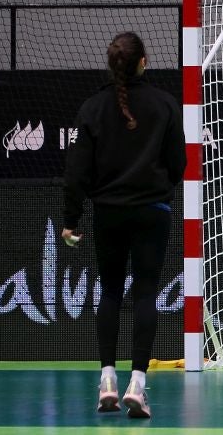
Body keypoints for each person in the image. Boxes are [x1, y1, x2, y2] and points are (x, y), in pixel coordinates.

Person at [62, 32, 186, 417]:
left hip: (109, 213)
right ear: (143, 62)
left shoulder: (92, 107)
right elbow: (178, 162)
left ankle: (107, 382)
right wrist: (160, 189)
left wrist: (71, 220)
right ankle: (138, 383)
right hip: (153, 211)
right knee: (146, 292)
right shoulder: (165, 104)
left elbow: (76, 172)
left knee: (111, 292)